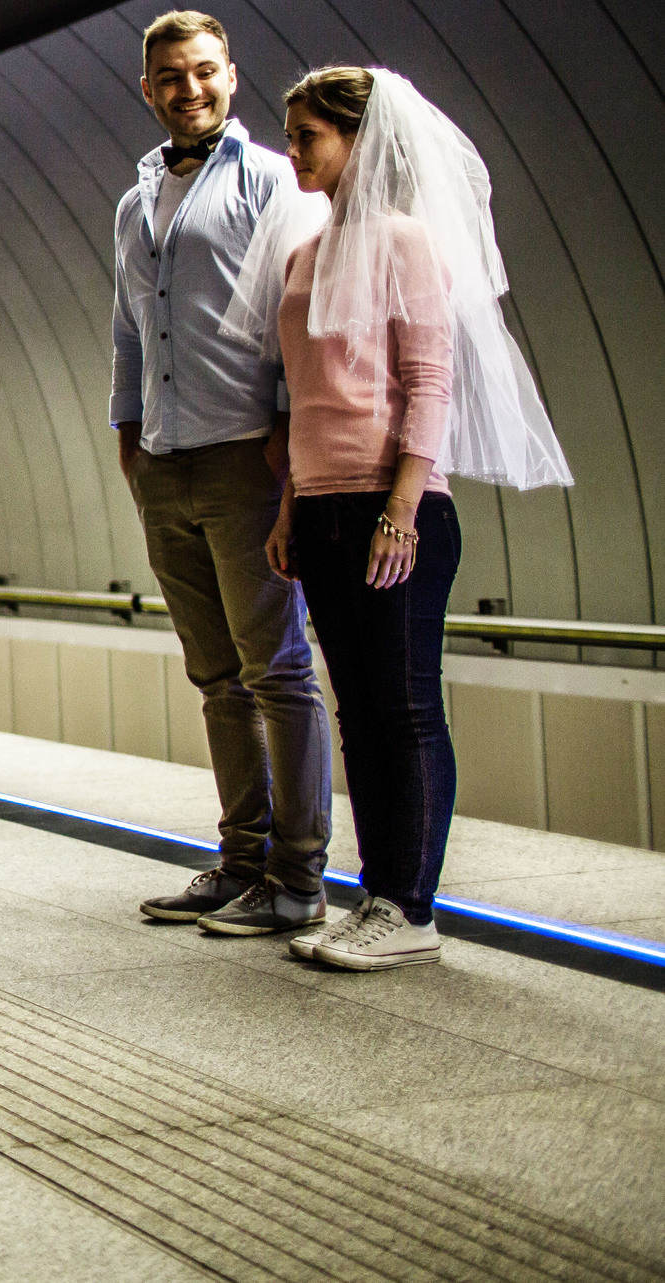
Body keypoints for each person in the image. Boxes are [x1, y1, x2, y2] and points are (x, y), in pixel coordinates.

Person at [224, 67, 570, 970]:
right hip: (324, 506)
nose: (292, 150)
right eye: (291, 134)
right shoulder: (305, 254)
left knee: (406, 707)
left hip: (394, 506)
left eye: (308, 136)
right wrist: (292, 507)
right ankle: (376, 895)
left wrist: (403, 509)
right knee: (358, 715)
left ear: (358, 139)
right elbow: (300, 398)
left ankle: (411, 906)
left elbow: (429, 381)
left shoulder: (407, 242)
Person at [110, 10, 335, 938]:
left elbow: (300, 317)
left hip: (248, 454)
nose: (188, 89)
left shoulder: (274, 183)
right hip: (162, 460)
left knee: (277, 670)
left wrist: (286, 450)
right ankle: (242, 860)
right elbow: (127, 326)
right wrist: (128, 438)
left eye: (204, 72)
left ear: (232, 78)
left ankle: (298, 878)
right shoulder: (133, 201)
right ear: (147, 87)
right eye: (170, 76)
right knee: (215, 677)